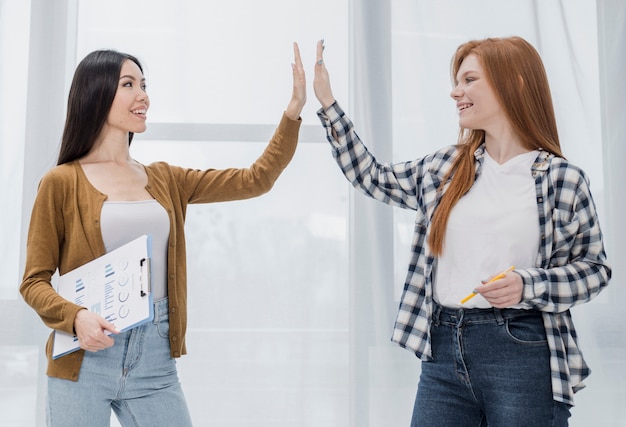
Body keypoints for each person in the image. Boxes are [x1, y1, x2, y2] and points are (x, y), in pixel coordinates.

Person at [313, 37, 611, 426]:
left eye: (469, 80)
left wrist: (529, 285)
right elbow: (372, 177)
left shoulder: (563, 180)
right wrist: (329, 105)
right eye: (457, 81)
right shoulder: (445, 168)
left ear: (515, 82)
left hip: (522, 350)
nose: (456, 92)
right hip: (442, 348)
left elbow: (594, 269)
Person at [20, 43, 306, 426]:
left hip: (154, 358)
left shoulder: (166, 179)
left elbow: (256, 180)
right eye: (129, 84)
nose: (143, 95)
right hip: (84, 359)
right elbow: (33, 282)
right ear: (97, 94)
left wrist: (292, 112)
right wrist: (76, 318)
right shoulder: (60, 182)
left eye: (144, 84)